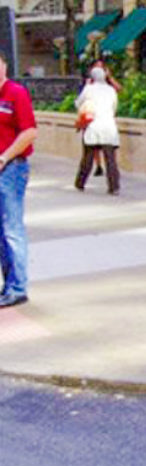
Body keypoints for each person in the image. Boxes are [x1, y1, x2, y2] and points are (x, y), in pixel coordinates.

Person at [0, 51, 37, 308]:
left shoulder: (16, 93)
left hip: (11, 169)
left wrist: (3, 158)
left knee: (12, 228)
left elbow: (29, 132)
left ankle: (17, 287)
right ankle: (8, 284)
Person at [74, 66, 120, 196]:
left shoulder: (89, 89)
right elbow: (114, 107)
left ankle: (80, 183)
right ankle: (114, 186)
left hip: (93, 126)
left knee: (87, 157)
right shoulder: (111, 90)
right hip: (109, 126)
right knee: (110, 159)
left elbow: (78, 103)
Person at [84, 60, 121, 177]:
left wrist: (110, 77)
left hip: (100, 121)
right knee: (96, 148)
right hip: (98, 120)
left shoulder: (108, 86)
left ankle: (83, 179)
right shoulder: (89, 85)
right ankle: (99, 166)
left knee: (104, 149)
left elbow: (118, 89)